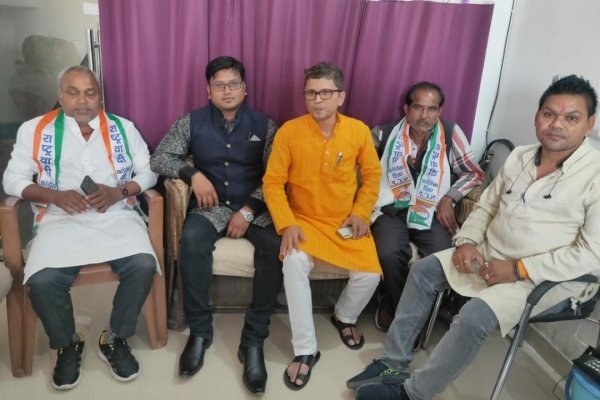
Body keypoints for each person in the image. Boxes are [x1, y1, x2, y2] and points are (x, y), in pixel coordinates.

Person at [347, 74, 600, 400]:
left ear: (590, 123)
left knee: (474, 316)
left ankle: (413, 394)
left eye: (571, 118)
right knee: (422, 271)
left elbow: (591, 254)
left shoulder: (595, 175)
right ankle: (392, 362)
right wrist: (466, 241)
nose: (557, 125)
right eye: (549, 114)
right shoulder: (521, 157)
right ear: (537, 116)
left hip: (543, 279)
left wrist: (518, 269)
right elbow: (486, 206)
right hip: (489, 253)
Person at [3, 65, 159, 390]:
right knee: (43, 281)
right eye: (73, 92)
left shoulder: (123, 128)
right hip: (60, 220)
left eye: (90, 93)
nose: (82, 100)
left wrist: (119, 192)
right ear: (60, 96)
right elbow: (12, 179)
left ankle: (114, 338)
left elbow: (148, 172)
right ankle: (67, 343)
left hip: (116, 215)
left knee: (143, 264)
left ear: (100, 96)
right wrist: (54, 196)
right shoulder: (36, 129)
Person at [150, 56, 282, 394]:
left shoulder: (265, 125)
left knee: (273, 247)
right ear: (208, 90)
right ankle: (199, 331)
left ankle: (253, 339)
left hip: (253, 206)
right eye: (219, 85)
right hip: (211, 207)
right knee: (192, 241)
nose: (227, 90)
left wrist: (250, 209)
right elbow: (160, 157)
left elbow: (276, 175)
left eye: (233, 83)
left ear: (245, 88)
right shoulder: (190, 121)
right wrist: (192, 175)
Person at [263, 62, 382, 390]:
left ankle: (344, 316)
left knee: (370, 275)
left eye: (325, 93)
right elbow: (272, 183)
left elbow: (372, 176)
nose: (317, 100)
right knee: (293, 262)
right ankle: (305, 349)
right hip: (303, 220)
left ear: (340, 96)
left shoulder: (358, 130)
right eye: (311, 93)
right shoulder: (289, 131)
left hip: (345, 221)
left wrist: (361, 213)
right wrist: (286, 223)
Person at [371, 81, 484, 331]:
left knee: (440, 255)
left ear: (440, 111)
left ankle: (413, 312)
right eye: (418, 108)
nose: (424, 116)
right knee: (389, 252)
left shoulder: (451, 133)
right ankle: (398, 308)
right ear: (406, 108)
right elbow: (363, 171)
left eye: (432, 109)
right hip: (391, 208)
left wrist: (449, 198)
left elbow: (474, 173)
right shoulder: (383, 133)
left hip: (431, 208)